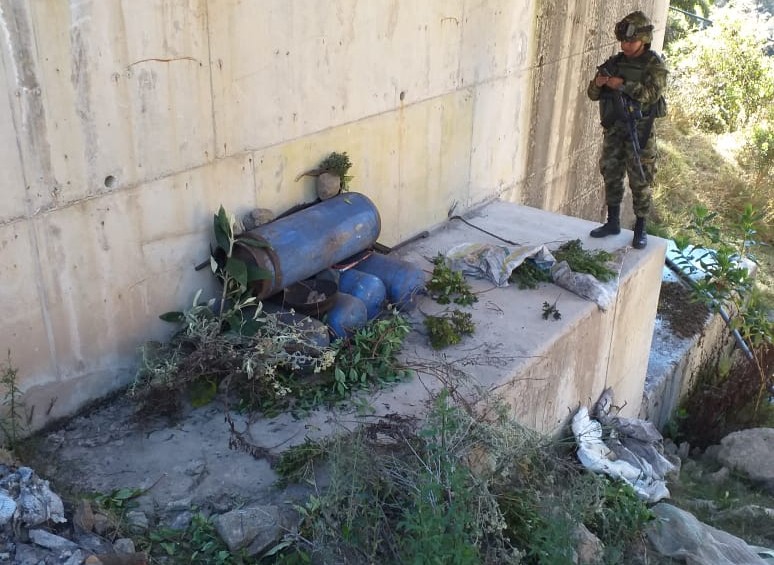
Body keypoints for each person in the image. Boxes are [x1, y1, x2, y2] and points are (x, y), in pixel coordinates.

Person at [587, 11, 668, 249]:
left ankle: (640, 228)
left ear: (643, 39)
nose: (625, 45)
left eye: (630, 41)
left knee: (640, 179)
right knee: (611, 173)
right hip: (615, 129)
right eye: (622, 41)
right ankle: (612, 222)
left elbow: (652, 94)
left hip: (640, 132)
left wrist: (622, 85)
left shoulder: (654, 65)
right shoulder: (614, 63)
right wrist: (598, 83)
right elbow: (592, 95)